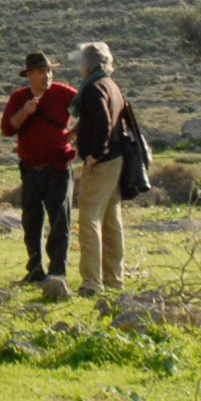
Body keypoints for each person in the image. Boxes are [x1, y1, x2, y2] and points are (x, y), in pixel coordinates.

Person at [0, 49, 76, 288]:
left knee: (59, 220)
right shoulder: (18, 98)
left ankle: (57, 272)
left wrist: (73, 135)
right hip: (31, 169)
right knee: (31, 221)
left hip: (58, 168)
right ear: (30, 74)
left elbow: (91, 108)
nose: (47, 75)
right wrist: (25, 112)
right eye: (42, 71)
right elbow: (7, 128)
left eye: (49, 70)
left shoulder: (64, 94)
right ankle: (35, 270)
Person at [71, 41, 130, 293]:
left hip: (102, 163)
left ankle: (92, 282)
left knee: (89, 220)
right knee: (111, 219)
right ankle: (114, 279)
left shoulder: (94, 87)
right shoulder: (111, 85)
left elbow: (103, 122)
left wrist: (94, 154)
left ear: (88, 65)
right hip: (117, 160)